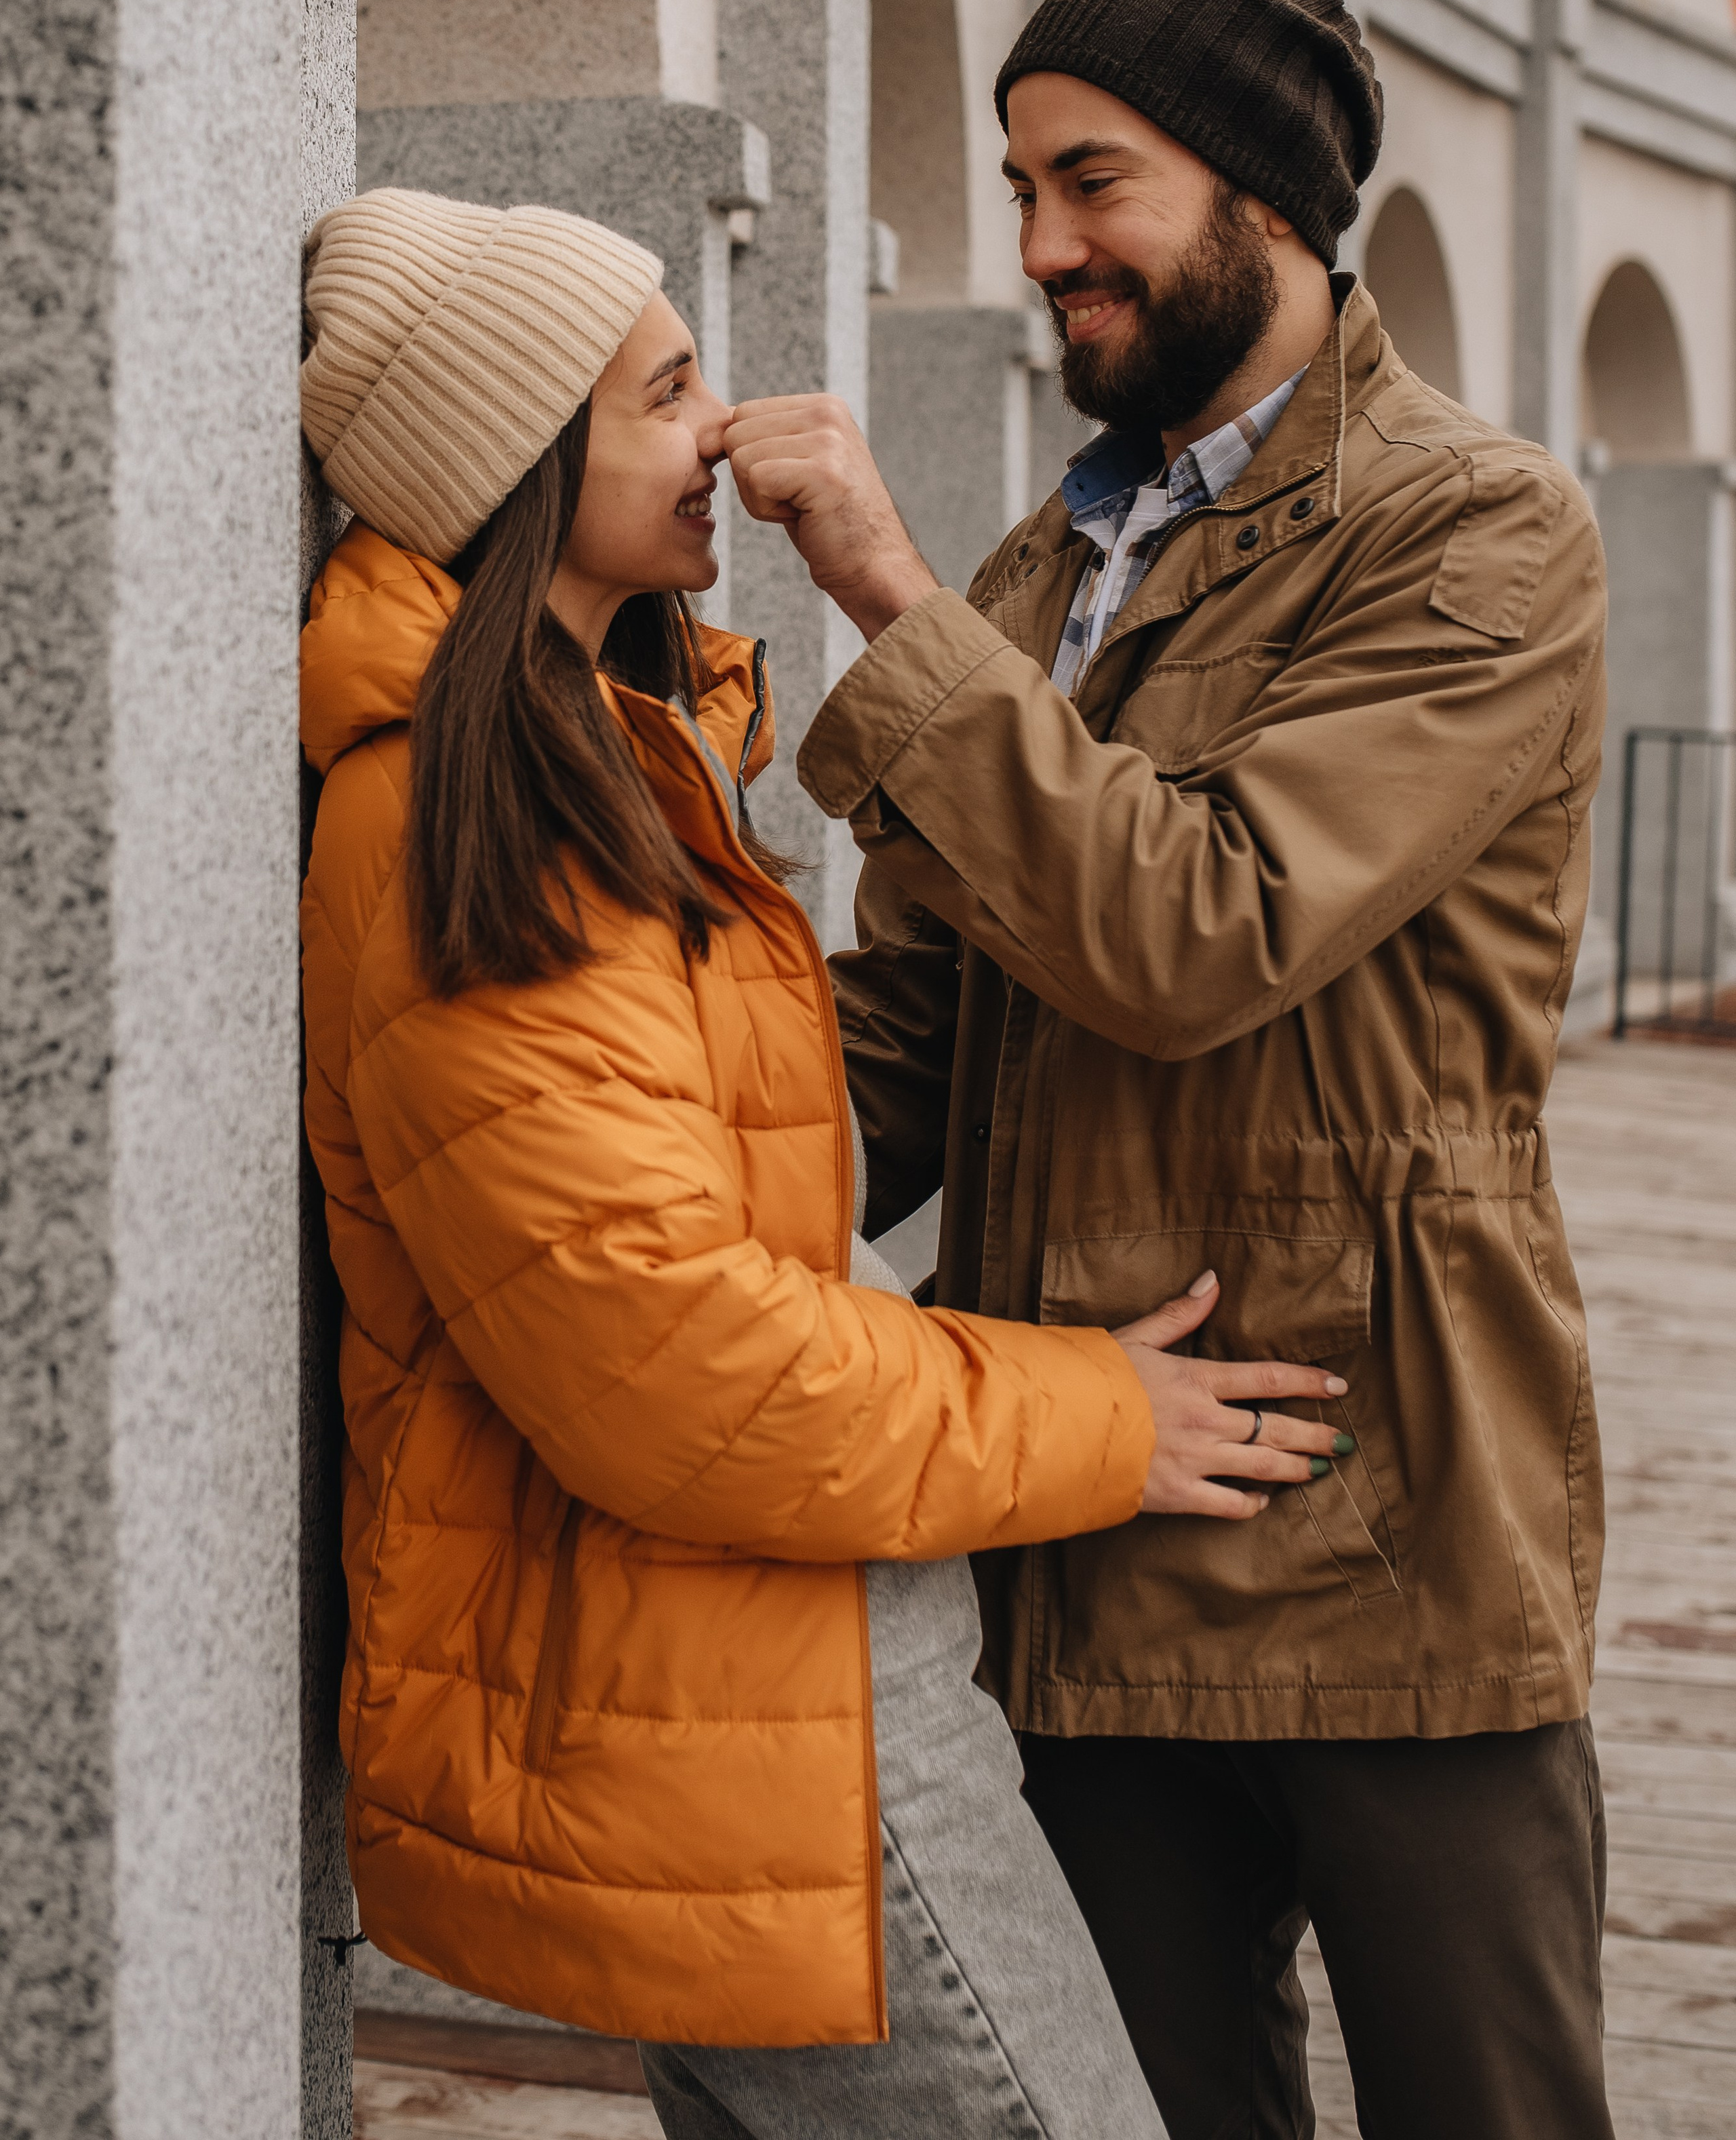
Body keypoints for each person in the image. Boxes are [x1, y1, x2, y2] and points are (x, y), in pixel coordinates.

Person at [296, 183, 1352, 2137]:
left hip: (758, 1680)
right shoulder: (489, 825)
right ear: (530, 458)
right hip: (772, 1720)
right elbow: (672, 1354)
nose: (725, 423)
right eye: (667, 387)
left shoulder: (606, 758)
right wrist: (1100, 1410)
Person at [725, 0, 1614, 2140]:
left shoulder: (1481, 529)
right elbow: (918, 1032)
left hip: (1390, 1514)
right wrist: (608, 1150)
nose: (1041, 249)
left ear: (1274, 195)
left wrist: (885, 594)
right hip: (1085, 1514)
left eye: (1090, 181)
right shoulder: (1057, 570)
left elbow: (1204, 930)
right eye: (1020, 188)